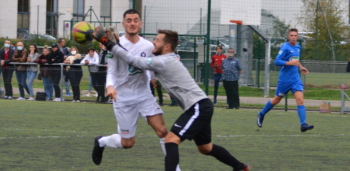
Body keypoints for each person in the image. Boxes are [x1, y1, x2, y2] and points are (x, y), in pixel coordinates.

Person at [92, 28, 250, 171]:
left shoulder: (163, 61)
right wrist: (118, 43)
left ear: (167, 47)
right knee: (205, 148)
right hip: (201, 106)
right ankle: (240, 167)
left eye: (157, 40)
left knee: (170, 140)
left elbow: (135, 61)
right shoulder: (166, 57)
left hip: (198, 107)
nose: (154, 42)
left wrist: (109, 43)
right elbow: (134, 56)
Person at [91, 10, 177, 170]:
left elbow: (150, 64)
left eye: (135, 20)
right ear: (123, 24)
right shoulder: (115, 44)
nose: (132, 23)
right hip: (123, 98)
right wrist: (109, 86)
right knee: (127, 143)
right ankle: (101, 141)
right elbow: (112, 71)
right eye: (129, 20)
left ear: (140, 23)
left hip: (144, 96)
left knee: (163, 131)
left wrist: (152, 78)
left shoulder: (148, 46)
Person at [257, 28, 314, 132]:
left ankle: (303, 124)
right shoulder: (285, 47)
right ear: (288, 37)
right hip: (284, 80)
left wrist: (300, 67)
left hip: (295, 79)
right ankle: (261, 113)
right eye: (291, 35)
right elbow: (277, 61)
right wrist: (289, 63)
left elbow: (295, 60)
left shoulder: (298, 47)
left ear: (298, 37)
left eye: (295, 35)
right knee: (276, 100)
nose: (293, 37)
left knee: (300, 100)